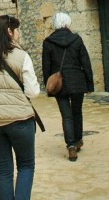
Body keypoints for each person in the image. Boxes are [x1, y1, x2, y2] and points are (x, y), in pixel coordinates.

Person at [0, 14, 40, 200]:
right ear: (10, 32)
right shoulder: (21, 56)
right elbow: (33, 92)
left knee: (3, 170)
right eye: (17, 30)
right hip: (19, 119)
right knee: (26, 165)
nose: (19, 34)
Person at [42, 11, 94, 161]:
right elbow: (86, 63)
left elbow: (46, 66)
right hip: (77, 81)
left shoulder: (48, 42)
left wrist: (48, 86)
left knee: (66, 115)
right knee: (77, 112)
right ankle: (78, 140)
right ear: (67, 23)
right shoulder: (76, 39)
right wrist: (89, 84)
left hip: (59, 84)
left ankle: (71, 146)